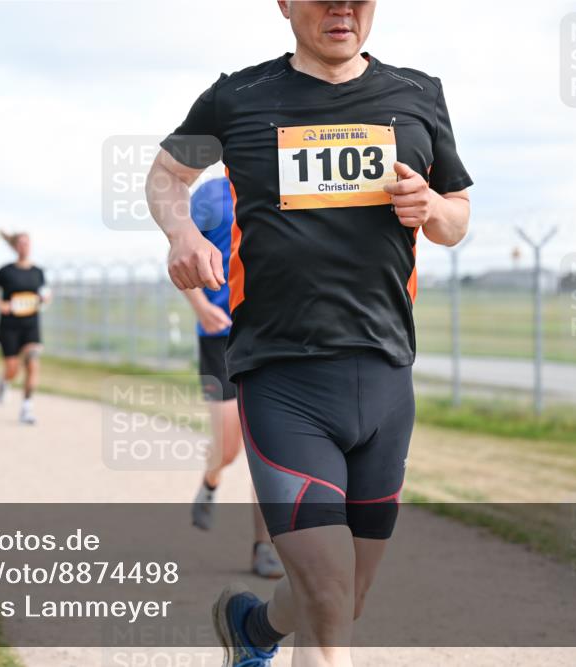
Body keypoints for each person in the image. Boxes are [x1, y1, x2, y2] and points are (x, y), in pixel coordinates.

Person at [147, 2, 472, 665]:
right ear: (286, 4)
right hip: (282, 377)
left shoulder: (419, 95)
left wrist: (435, 207)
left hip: (385, 378)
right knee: (327, 600)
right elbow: (166, 176)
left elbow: (457, 216)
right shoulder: (237, 97)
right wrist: (180, 231)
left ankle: (255, 628)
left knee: (342, 596)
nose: (344, 9)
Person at [186, 177, 284, 580]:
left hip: (269, 335)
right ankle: (211, 479)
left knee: (271, 448)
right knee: (228, 447)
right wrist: (199, 307)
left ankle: (265, 546)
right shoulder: (209, 195)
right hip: (218, 335)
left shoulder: (285, 182)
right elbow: (181, 255)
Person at [0, 231, 50, 425]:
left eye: (27, 243)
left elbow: (45, 293)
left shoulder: (38, 272)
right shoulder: (6, 271)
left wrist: (45, 299)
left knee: (32, 362)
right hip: (10, 326)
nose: (24, 247)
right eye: (20, 243)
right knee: (13, 369)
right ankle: (4, 382)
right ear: (15, 247)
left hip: (31, 325)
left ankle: (26, 408)